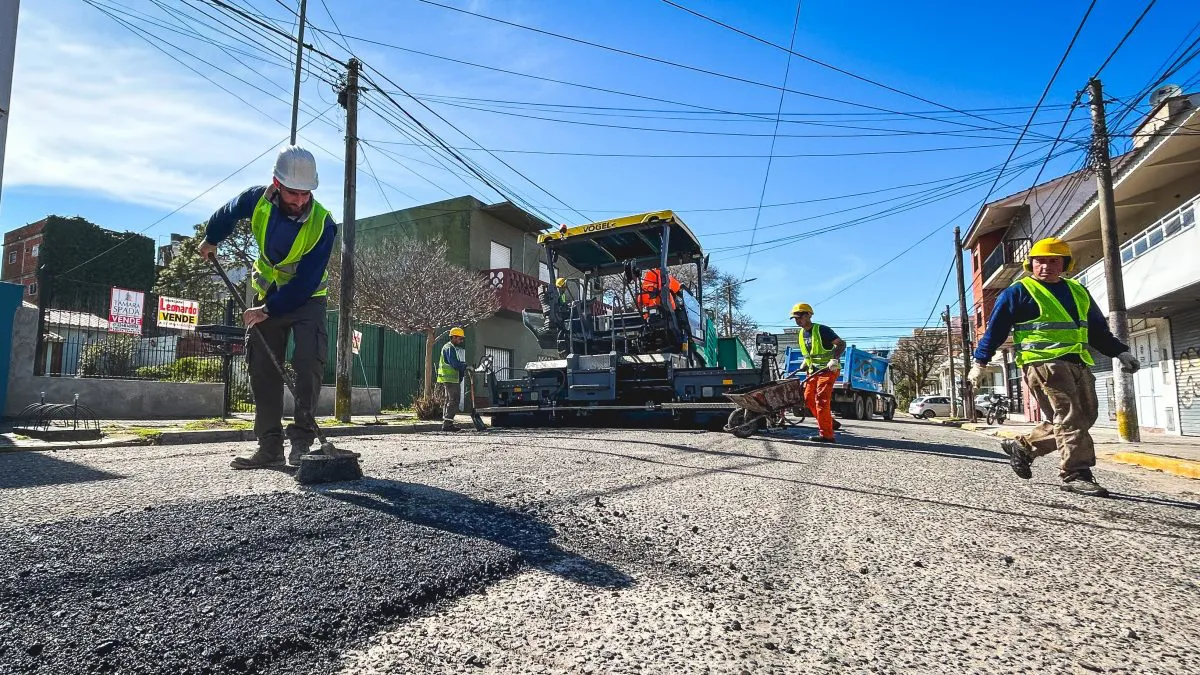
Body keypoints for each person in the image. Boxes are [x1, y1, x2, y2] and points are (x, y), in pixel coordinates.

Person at [969, 237, 1140, 497]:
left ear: (1064, 264)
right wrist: (979, 362)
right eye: (1040, 261)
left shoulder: (1078, 291)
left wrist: (1120, 352)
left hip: (1078, 362)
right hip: (1043, 364)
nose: (1046, 266)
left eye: (1053, 261)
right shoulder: (1019, 292)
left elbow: (1097, 330)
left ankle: (1025, 448)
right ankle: (1075, 473)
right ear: (1031, 264)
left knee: (1085, 417)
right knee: (1070, 416)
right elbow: (995, 330)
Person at [201, 146, 337, 470]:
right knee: (262, 368)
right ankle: (269, 446)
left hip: (307, 301)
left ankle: (302, 442)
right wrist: (211, 238)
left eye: (306, 193)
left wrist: (268, 310)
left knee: (307, 362)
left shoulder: (324, 225)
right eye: (293, 192)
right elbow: (228, 212)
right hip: (265, 294)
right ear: (276, 183)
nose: (301, 200)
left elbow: (304, 283)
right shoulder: (256, 200)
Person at [792, 303, 845, 443]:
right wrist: (805, 362)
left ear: (809, 315)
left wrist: (834, 359)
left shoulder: (822, 330)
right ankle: (829, 422)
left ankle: (827, 435)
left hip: (828, 370)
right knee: (808, 398)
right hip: (813, 371)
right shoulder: (801, 333)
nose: (797, 320)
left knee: (821, 399)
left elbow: (841, 344)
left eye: (800, 317)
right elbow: (809, 354)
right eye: (795, 318)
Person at [437, 327, 469, 431]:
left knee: (449, 401)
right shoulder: (449, 348)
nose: (461, 341)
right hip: (451, 380)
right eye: (460, 338)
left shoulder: (449, 347)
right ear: (454, 337)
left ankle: (447, 423)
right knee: (454, 401)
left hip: (449, 380)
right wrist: (465, 366)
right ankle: (447, 424)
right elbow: (454, 364)